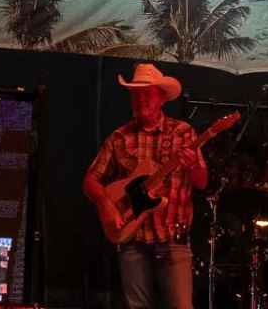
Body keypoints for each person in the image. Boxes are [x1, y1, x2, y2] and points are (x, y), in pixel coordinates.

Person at [83, 63, 209, 309]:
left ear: (162, 98)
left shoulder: (183, 133)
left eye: (148, 93)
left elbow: (202, 182)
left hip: (173, 238)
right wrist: (106, 204)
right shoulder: (119, 137)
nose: (142, 99)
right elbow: (90, 181)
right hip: (133, 239)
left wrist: (192, 166)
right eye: (136, 94)